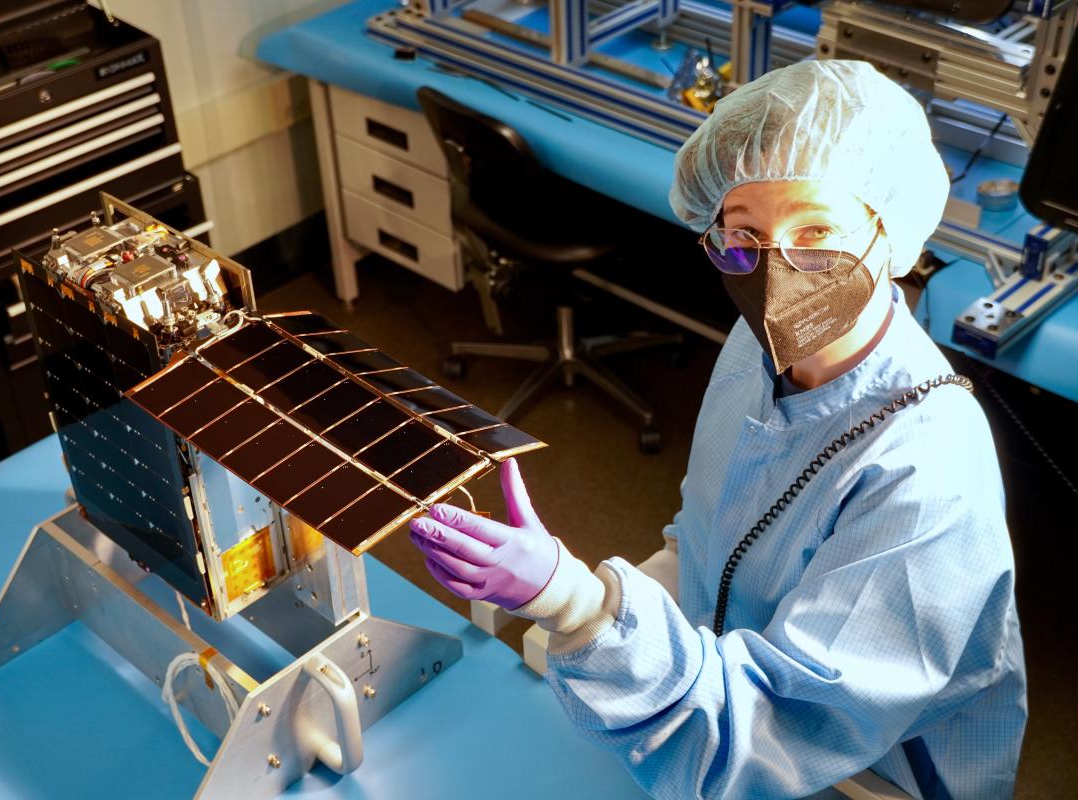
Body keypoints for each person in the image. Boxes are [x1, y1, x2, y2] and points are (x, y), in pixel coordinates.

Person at [410, 60, 1027, 799]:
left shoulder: (926, 472)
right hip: (713, 684)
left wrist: (575, 604)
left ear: (888, 232)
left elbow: (777, 730)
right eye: (743, 236)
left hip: (868, 771)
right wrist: (621, 605)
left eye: (817, 230)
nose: (776, 273)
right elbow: (708, 534)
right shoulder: (754, 347)